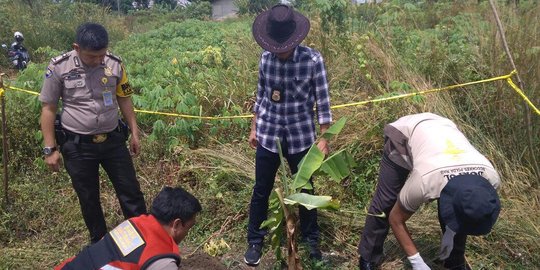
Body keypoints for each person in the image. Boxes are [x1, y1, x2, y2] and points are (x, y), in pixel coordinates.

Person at [39, 22, 147, 244]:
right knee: (89, 198)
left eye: (102, 55)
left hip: (113, 140)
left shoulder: (115, 64)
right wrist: (50, 148)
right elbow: (48, 108)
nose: (98, 60)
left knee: (131, 192)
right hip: (77, 145)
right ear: (76, 48)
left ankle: (143, 241)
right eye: (92, 57)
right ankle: (100, 245)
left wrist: (135, 132)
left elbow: (124, 99)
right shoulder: (59, 67)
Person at [244, 4, 332, 266]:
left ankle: (311, 242)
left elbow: (323, 103)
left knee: (306, 189)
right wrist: (254, 127)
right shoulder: (265, 59)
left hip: (301, 137)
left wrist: (324, 138)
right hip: (269, 134)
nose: (278, 52)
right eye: (275, 47)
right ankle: (255, 241)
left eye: (283, 47)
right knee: (261, 189)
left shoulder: (312, 61)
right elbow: (260, 97)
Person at [358, 112, 501, 270]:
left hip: (444, 130)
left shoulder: (491, 178)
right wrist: (417, 262)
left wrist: (451, 236)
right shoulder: (425, 181)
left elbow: (463, 214)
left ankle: (453, 260)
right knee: (386, 200)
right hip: (405, 134)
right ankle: (368, 256)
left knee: (463, 213)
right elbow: (396, 219)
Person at [55, 186, 202, 270]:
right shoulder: (161, 262)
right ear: (176, 224)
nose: (187, 233)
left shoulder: (134, 224)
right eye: (189, 227)